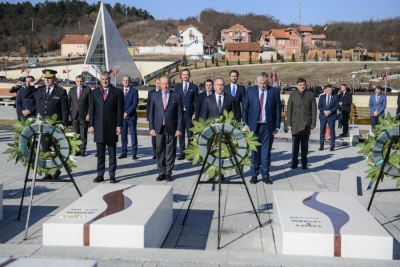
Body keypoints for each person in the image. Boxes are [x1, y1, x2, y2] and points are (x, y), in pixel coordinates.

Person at [24, 69, 69, 180]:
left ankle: (56, 170)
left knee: (55, 150)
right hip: (42, 125)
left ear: (54, 79)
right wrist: (34, 83)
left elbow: (65, 110)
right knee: (45, 149)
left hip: (55, 125)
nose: (47, 80)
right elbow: (25, 94)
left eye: (49, 78)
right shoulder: (39, 90)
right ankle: (48, 172)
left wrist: (64, 125)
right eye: (45, 78)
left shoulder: (60, 91)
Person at [242, 72, 281, 185]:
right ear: (257, 81)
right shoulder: (250, 91)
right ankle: (254, 175)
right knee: (254, 152)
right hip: (253, 127)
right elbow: (245, 109)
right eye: (260, 83)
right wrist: (246, 124)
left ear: (267, 82)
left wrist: (277, 125)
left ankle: (265, 175)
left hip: (267, 126)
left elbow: (278, 110)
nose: (262, 85)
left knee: (266, 152)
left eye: (264, 83)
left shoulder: (274, 91)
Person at [89, 71, 124, 183]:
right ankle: (100, 174)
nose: (105, 81)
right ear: (100, 80)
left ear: (109, 79)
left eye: (106, 79)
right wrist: (91, 125)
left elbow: (119, 111)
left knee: (112, 153)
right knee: (100, 154)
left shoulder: (117, 92)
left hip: (111, 127)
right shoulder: (94, 93)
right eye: (103, 79)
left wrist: (119, 125)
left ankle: (112, 175)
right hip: (98, 127)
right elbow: (92, 110)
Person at [149, 76, 183, 182]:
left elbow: (180, 114)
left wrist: (179, 129)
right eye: (163, 83)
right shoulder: (154, 96)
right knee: (159, 150)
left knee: (170, 151)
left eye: (167, 83)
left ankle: (168, 172)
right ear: (159, 84)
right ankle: (161, 172)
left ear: (169, 84)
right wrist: (151, 128)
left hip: (171, 127)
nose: (165, 85)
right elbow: (151, 113)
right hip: (159, 127)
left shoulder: (176, 96)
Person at [286, 78, 317, 170]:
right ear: (297, 86)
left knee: (304, 146)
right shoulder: (292, 95)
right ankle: (294, 162)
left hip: (306, 123)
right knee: (295, 145)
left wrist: (313, 123)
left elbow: (314, 110)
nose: (302, 86)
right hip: (295, 122)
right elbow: (289, 110)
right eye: (300, 85)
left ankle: (304, 163)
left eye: (303, 84)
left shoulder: (310, 95)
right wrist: (289, 123)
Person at [174, 68, 198, 160]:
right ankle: (182, 153)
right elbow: (175, 100)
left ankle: (190, 153)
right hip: (180, 114)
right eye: (183, 74)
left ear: (189, 75)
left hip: (190, 114)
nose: (185, 76)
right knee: (181, 134)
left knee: (190, 135)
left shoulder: (194, 87)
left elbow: (196, 101)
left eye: (187, 74)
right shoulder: (177, 87)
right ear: (181, 76)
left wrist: (195, 112)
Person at [68, 75, 91, 157]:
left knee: (83, 133)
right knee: (75, 133)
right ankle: (76, 150)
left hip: (84, 115)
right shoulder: (72, 90)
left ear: (83, 81)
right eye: (78, 81)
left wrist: (89, 114)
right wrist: (68, 114)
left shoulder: (87, 90)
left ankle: (82, 150)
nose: (79, 83)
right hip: (74, 115)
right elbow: (68, 103)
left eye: (81, 81)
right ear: (75, 82)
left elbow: (90, 103)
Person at [118, 75, 139, 160]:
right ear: (122, 81)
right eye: (124, 80)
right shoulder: (119, 91)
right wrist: (122, 113)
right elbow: (118, 104)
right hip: (122, 117)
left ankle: (134, 153)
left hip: (131, 117)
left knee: (133, 135)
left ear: (129, 81)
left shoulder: (134, 91)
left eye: (127, 80)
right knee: (123, 135)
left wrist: (127, 113)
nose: (126, 82)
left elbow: (134, 104)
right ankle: (124, 152)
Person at [318, 84, 339, 151]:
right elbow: (319, 106)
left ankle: (332, 146)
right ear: (326, 90)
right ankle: (321, 145)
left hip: (331, 116)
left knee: (332, 131)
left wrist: (330, 111)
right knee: (322, 131)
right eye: (329, 89)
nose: (331, 90)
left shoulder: (335, 96)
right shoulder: (322, 97)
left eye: (331, 89)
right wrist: (324, 111)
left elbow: (336, 106)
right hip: (323, 116)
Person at [147, 78, 161, 159]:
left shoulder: (163, 93)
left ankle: (161, 152)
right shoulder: (151, 93)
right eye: (157, 83)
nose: (159, 85)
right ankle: (155, 152)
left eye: (160, 83)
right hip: (153, 117)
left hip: (160, 117)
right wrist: (148, 117)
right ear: (155, 83)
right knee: (153, 136)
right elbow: (148, 105)